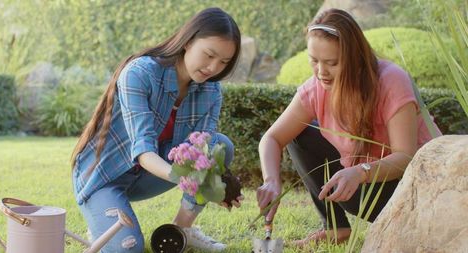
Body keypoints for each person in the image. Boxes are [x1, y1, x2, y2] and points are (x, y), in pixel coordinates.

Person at [256, 8, 441, 248]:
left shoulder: (391, 80)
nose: (321, 72)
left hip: (411, 191)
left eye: (332, 63)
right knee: (300, 132)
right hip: (357, 185)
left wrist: (360, 171)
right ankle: (335, 228)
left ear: (354, 58)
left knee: (356, 187)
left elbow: (406, 157)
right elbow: (272, 137)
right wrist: (271, 180)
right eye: (314, 61)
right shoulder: (316, 88)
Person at [71, 7, 243, 253]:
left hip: (149, 177)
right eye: (209, 55)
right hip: (105, 176)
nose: (213, 68)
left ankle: (180, 230)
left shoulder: (211, 91)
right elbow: (143, 151)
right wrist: (188, 179)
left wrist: (220, 182)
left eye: (224, 62)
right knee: (128, 248)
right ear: (188, 41)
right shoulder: (140, 73)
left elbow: (200, 152)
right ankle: (102, 223)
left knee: (219, 145)